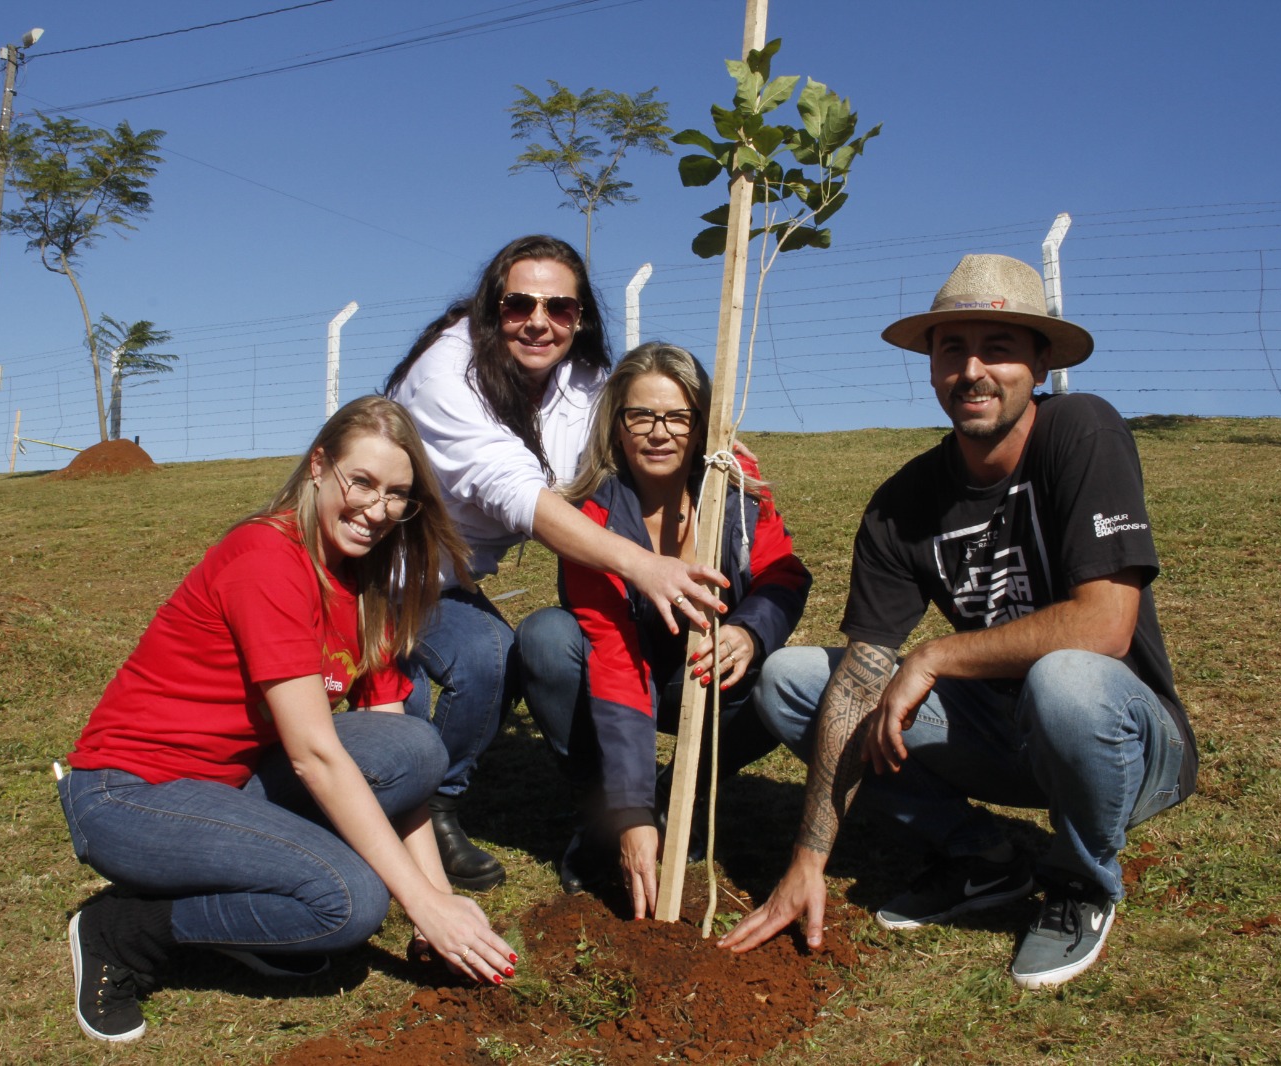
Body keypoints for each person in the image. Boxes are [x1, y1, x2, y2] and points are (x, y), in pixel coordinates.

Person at [719, 254, 1197, 990]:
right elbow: (861, 670)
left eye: (998, 348)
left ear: (1039, 362)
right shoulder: (900, 504)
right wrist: (807, 862)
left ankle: (1079, 883)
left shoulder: (1083, 432)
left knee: (1065, 678)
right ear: (932, 367)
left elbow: (1106, 625)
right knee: (792, 681)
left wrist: (934, 656)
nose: (973, 369)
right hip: (1002, 739)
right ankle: (981, 855)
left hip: (1122, 742)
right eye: (952, 349)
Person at [56, 396, 517, 1044]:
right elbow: (314, 755)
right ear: (320, 467)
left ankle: (247, 903)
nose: (377, 509)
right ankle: (122, 933)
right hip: (129, 793)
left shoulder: (366, 585)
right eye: (362, 482)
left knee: (418, 746)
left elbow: (404, 764)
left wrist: (432, 904)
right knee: (349, 903)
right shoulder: (269, 558)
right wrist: (420, 904)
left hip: (228, 784)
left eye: (397, 495)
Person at [384, 235, 729, 892]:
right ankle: (400, 817)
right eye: (519, 304)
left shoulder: (577, 381)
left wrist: (708, 450)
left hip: (445, 585)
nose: (539, 322)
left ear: (581, 318)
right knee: (401, 714)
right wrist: (643, 566)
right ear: (491, 307)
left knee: (490, 658)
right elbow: (518, 494)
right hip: (366, 575)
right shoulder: (445, 373)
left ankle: (440, 804)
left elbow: (620, 441)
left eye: (560, 308)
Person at [514, 343, 811, 915]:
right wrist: (627, 812)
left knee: (780, 674)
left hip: (710, 677)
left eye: (678, 416)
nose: (659, 432)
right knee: (547, 640)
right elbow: (613, 655)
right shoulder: (590, 519)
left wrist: (750, 632)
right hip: (622, 676)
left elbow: (785, 576)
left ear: (701, 425)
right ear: (617, 427)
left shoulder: (739, 492)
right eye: (641, 415)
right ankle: (600, 811)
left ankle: (686, 797)